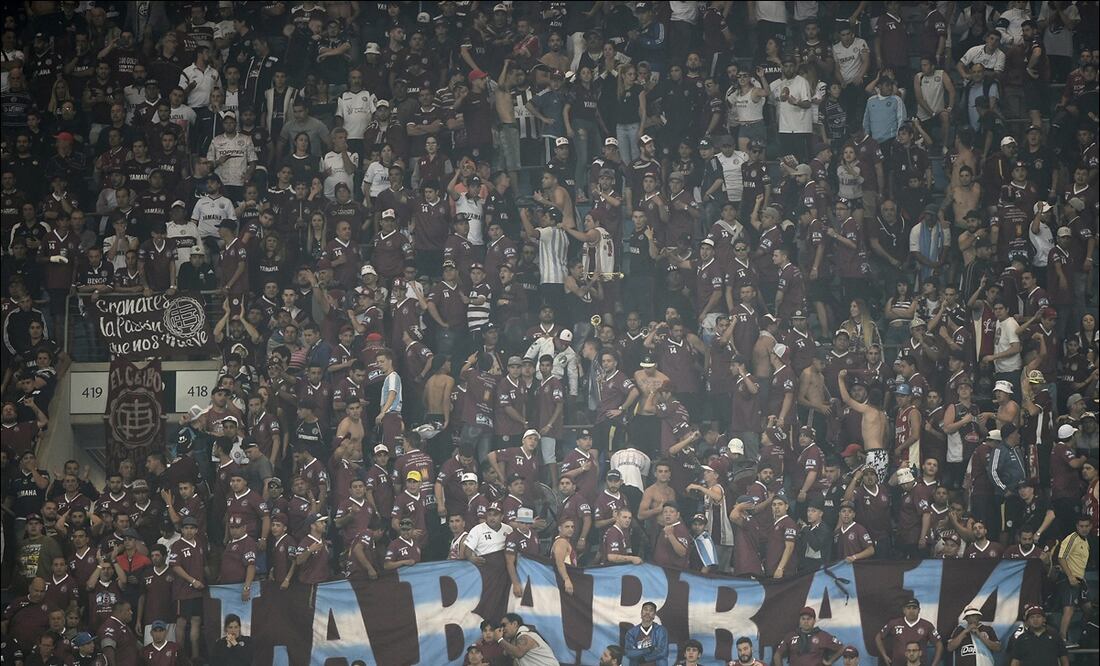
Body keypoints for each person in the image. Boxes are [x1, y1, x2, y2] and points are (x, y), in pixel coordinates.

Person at [876, 598, 943, 666]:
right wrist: (884, 655)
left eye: (914, 608)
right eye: (908, 608)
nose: (911, 611)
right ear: (904, 610)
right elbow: (878, 637)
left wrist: (934, 664)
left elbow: (939, 644)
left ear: (919, 610)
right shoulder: (894, 623)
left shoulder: (927, 625)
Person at [772, 607, 845, 665]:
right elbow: (777, 655)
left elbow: (842, 648)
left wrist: (830, 662)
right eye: (803, 619)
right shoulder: (790, 636)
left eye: (809, 619)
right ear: (799, 621)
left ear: (814, 621)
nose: (806, 621)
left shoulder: (823, 636)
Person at [624, 601, 669, 666]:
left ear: (654, 615)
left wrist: (644, 658)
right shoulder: (631, 632)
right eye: (645, 609)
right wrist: (649, 649)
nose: (647, 612)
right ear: (641, 613)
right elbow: (629, 653)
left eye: (651, 610)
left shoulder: (661, 630)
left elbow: (662, 652)